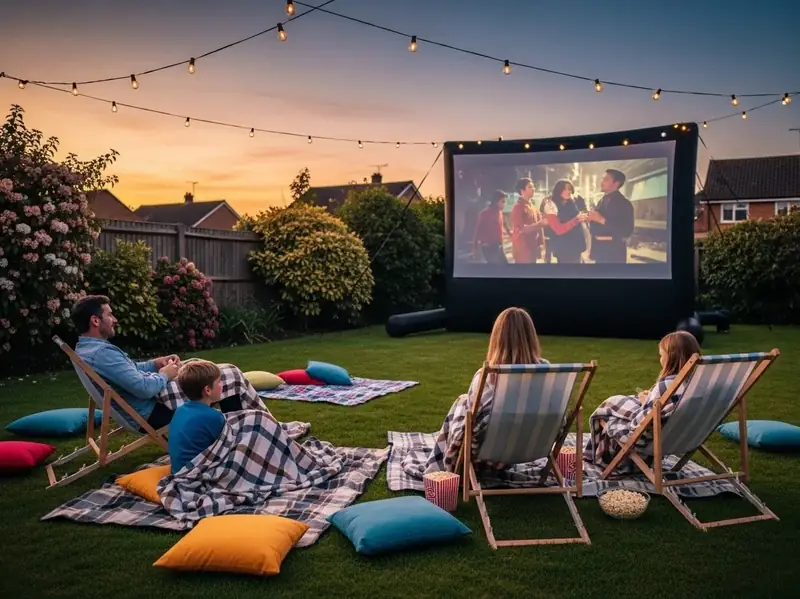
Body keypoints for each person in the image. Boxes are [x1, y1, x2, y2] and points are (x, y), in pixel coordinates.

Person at [72, 295, 264, 433]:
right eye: (110, 315)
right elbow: (143, 388)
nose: (115, 320)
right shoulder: (102, 353)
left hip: (153, 402)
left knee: (198, 366)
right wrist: (165, 374)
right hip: (155, 412)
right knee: (226, 374)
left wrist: (156, 364)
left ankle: (247, 427)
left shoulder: (87, 349)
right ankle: (246, 431)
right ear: (95, 320)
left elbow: (131, 370)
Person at [404, 307, 549, 476]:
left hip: (489, 455)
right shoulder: (548, 373)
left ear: (497, 338)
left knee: (464, 404)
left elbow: (473, 427)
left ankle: (446, 466)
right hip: (530, 447)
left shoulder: (487, 376)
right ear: (531, 336)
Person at [583, 330, 701, 472]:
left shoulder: (666, 387)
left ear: (671, 357)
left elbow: (638, 426)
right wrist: (649, 401)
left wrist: (647, 403)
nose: (660, 360)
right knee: (620, 403)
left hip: (648, 441)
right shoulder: (700, 384)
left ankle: (598, 457)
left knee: (609, 409)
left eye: (661, 355)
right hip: (682, 436)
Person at [168, 360, 226, 475]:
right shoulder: (213, 417)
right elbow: (226, 446)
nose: (222, 384)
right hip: (196, 474)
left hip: (177, 470)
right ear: (208, 390)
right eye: (219, 382)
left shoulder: (180, 409)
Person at [583, 168, 634, 263]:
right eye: (602, 179)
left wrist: (601, 220)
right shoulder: (601, 201)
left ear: (616, 183)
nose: (601, 182)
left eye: (606, 179)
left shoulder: (624, 203)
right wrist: (590, 219)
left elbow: (627, 231)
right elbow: (596, 228)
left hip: (614, 254)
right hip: (600, 252)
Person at [542, 180, 588, 264]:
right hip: (563, 248)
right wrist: (576, 220)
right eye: (565, 189)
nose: (568, 191)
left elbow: (583, 214)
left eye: (569, 189)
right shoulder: (551, 205)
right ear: (558, 190)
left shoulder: (573, 202)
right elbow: (558, 229)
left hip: (576, 246)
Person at [510, 178, 546, 263]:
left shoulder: (532, 206)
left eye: (533, 187)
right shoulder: (518, 207)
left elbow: (539, 226)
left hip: (533, 247)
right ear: (522, 190)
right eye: (530, 187)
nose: (533, 189)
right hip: (523, 249)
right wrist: (539, 224)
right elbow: (521, 229)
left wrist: (541, 243)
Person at [472, 190, 511, 264]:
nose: (504, 204)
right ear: (496, 202)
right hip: (489, 247)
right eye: (502, 202)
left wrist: (510, 233)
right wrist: (474, 247)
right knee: (495, 269)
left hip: (498, 246)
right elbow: (477, 230)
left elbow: (504, 224)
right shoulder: (485, 214)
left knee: (505, 267)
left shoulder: (500, 213)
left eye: (505, 202)